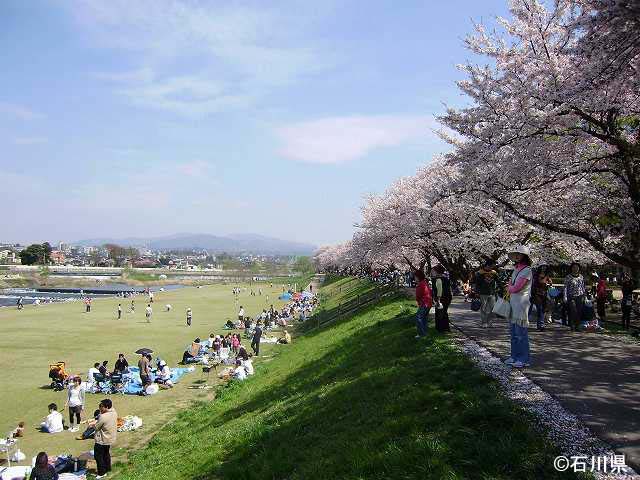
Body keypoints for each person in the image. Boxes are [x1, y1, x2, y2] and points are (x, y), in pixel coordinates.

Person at [505, 245, 533, 368]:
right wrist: (510, 287)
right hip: (513, 303)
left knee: (520, 334)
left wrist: (509, 288)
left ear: (524, 256)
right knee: (513, 333)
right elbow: (512, 285)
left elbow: (516, 287)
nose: (516, 256)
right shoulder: (516, 269)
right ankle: (514, 356)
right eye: (515, 254)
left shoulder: (527, 270)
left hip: (521, 304)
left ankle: (523, 358)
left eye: (519, 254)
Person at [94, 399, 117, 479]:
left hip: (102, 440)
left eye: (101, 407)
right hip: (110, 438)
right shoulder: (114, 412)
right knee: (106, 454)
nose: (100, 408)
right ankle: (108, 468)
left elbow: (96, 427)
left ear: (106, 407)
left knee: (98, 456)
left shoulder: (103, 416)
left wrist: (91, 424)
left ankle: (101, 473)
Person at [474, 260, 497, 328]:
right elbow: (477, 283)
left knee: (493, 308)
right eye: (491, 266)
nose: (492, 268)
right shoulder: (480, 273)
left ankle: (490, 322)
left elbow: (498, 281)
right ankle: (484, 322)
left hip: (492, 293)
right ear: (487, 265)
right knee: (483, 308)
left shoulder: (494, 273)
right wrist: (477, 292)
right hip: (483, 293)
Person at [564, 262, 586, 332]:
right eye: (574, 267)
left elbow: (582, 286)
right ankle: (572, 325)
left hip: (580, 296)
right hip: (571, 296)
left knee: (579, 311)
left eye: (577, 267)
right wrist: (565, 297)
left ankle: (577, 326)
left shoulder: (581, 276)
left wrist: (584, 296)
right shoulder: (568, 277)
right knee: (573, 310)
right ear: (571, 268)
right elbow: (565, 287)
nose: (575, 269)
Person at [432, 265, 452, 332]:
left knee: (439, 313)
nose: (432, 272)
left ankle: (440, 328)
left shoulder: (438, 279)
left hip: (442, 298)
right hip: (447, 297)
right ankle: (446, 327)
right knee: (444, 312)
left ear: (437, 272)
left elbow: (439, 290)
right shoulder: (445, 277)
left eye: (433, 271)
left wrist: (438, 299)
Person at [531, 265, 552, 331]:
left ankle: (540, 324)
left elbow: (550, 283)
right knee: (539, 309)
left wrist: (549, 283)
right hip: (537, 293)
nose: (543, 269)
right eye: (542, 267)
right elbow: (539, 282)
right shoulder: (536, 275)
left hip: (544, 294)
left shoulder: (547, 276)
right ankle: (540, 325)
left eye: (545, 267)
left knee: (543, 309)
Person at [414, 269, 432, 338]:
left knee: (419, 318)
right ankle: (425, 333)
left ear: (418, 277)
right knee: (424, 318)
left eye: (415, 277)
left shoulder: (420, 285)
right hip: (428, 303)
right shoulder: (424, 282)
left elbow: (418, 296)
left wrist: (418, 303)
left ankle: (421, 334)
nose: (414, 278)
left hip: (424, 303)